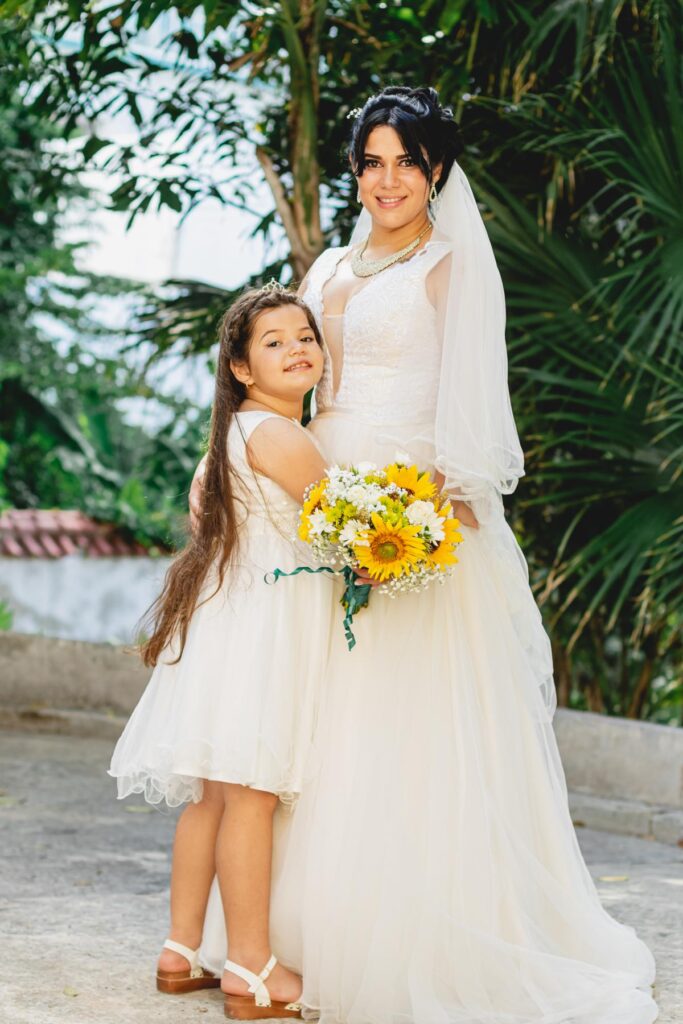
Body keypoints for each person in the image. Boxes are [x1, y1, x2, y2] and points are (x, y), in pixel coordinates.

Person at [202, 86, 657, 1024]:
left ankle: (400, 940)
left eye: (406, 162)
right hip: (317, 511)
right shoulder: (328, 262)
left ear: (436, 172)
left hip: (406, 521)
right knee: (311, 735)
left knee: (405, 740)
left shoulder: (453, 269)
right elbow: (294, 380)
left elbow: (471, 415)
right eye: (370, 161)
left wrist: (419, 526)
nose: (387, 180)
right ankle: (281, 943)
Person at [109, 285, 331, 1021]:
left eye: (305, 335)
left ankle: (181, 951)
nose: (297, 348)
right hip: (268, 626)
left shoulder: (230, 438)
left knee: (211, 793)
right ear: (239, 366)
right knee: (252, 792)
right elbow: (347, 529)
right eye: (273, 342)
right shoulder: (283, 436)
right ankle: (251, 964)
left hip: (227, 624)